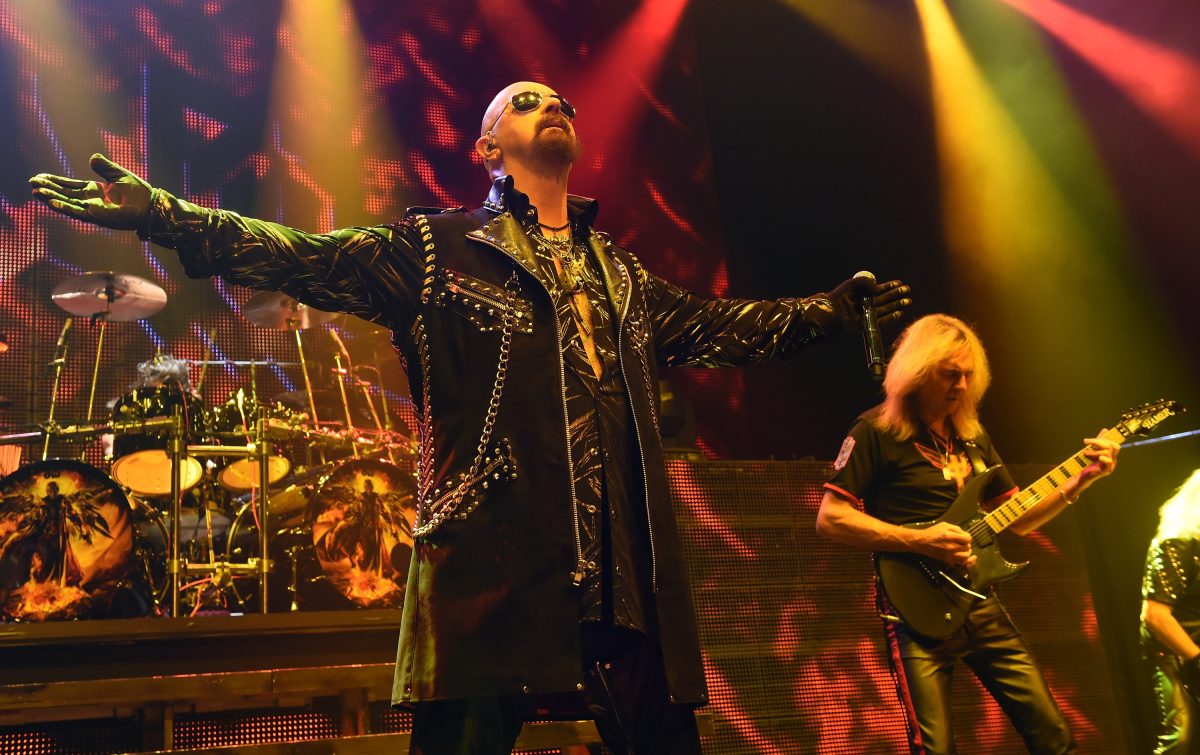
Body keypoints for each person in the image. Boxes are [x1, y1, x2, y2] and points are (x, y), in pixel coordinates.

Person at [30, 81, 910, 754]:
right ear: (487, 147)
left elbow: (724, 328)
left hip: (624, 578)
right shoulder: (435, 249)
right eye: (525, 102)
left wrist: (831, 309)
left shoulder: (621, 275)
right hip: (494, 569)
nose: (552, 106)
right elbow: (301, 256)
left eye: (561, 102)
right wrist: (167, 214)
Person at [816, 313, 1119, 754]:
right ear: (919, 372)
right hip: (914, 612)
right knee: (935, 748)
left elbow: (1020, 518)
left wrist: (1082, 479)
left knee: (1053, 734)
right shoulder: (876, 431)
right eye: (949, 374)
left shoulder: (972, 438)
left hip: (978, 602)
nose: (960, 385)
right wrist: (922, 540)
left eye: (968, 375)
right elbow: (831, 517)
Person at [1142, 469, 1200, 753]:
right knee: (1182, 739)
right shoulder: (1178, 542)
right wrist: (1196, 659)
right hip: (1178, 654)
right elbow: (1155, 616)